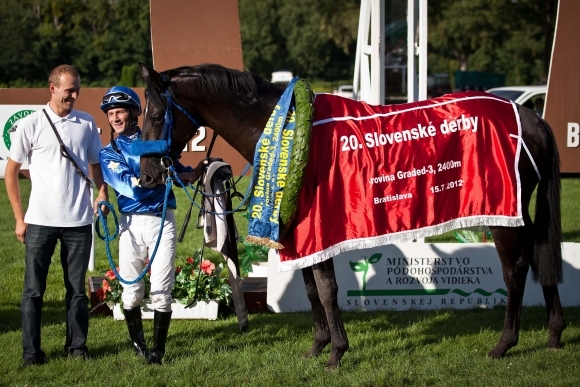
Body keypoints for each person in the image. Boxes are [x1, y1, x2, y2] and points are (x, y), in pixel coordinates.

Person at [5, 64, 109, 366]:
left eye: (77, 88)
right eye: (69, 90)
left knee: (77, 290)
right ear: (53, 88)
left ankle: (77, 348)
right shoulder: (31, 124)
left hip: (78, 222)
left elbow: (95, 165)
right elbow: (11, 172)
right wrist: (19, 218)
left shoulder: (87, 123)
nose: (74, 95)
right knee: (33, 291)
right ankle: (31, 353)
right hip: (39, 221)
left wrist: (101, 193)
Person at [98, 86, 203, 365]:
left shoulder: (156, 142)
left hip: (161, 221)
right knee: (132, 291)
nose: (116, 118)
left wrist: (202, 170)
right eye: (111, 113)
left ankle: (157, 350)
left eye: (120, 111)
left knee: (161, 288)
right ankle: (138, 343)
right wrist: (164, 175)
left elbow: (183, 175)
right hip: (130, 225)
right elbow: (134, 189)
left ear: (134, 113)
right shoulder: (109, 153)